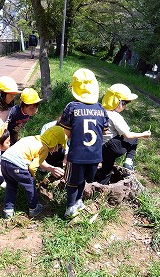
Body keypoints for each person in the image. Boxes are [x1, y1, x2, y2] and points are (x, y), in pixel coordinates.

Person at [58, 68, 109, 219]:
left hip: (77, 154)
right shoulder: (100, 108)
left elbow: (65, 134)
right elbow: (104, 131)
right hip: (95, 155)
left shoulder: (72, 107)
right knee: (84, 180)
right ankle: (78, 201)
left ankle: (69, 208)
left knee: (73, 182)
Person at [0, 125, 67, 219]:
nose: (57, 150)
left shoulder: (33, 139)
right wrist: (33, 178)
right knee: (30, 185)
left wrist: (51, 168)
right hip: (17, 165)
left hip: (4, 161)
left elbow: (37, 160)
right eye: (58, 146)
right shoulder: (44, 149)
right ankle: (33, 208)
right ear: (54, 143)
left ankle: (8, 210)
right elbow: (32, 167)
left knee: (11, 185)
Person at [95, 83, 151, 185]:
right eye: (124, 103)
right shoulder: (115, 116)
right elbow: (128, 135)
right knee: (134, 138)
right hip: (111, 147)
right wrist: (143, 134)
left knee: (107, 167)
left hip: (98, 148)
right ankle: (128, 162)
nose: (125, 106)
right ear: (117, 102)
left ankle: (101, 187)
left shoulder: (98, 110)